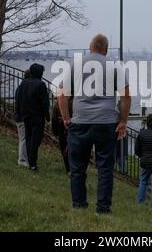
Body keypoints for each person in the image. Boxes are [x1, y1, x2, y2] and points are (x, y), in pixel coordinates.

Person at [58, 34, 131, 214]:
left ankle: (79, 205)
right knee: (105, 168)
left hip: (80, 122)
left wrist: (66, 118)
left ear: (90, 48)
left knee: (77, 168)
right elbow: (125, 96)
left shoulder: (76, 65)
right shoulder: (114, 67)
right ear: (106, 49)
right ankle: (103, 209)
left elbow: (62, 96)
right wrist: (123, 121)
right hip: (106, 123)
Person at [16, 63, 50, 172]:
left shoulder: (23, 83)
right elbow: (45, 103)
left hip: (26, 115)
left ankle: (31, 162)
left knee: (29, 138)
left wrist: (19, 112)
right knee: (36, 140)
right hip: (37, 117)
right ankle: (33, 164)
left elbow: (19, 99)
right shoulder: (41, 85)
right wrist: (48, 117)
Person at [14, 69, 31, 167]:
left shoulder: (21, 87)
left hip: (20, 117)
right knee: (23, 138)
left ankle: (25, 157)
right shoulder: (23, 88)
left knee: (24, 138)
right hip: (21, 117)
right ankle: (22, 159)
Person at [52, 98, 72, 174]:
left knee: (64, 149)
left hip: (61, 127)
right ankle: (71, 168)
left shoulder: (57, 104)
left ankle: (68, 169)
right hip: (70, 126)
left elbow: (54, 118)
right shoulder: (73, 103)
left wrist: (55, 132)